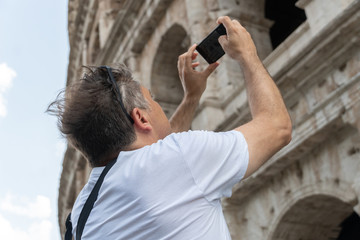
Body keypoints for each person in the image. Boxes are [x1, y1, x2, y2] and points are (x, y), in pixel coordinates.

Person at [49, 16, 292, 239]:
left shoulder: (81, 214)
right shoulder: (181, 159)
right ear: (141, 118)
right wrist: (247, 54)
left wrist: (191, 98)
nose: (157, 104)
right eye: (152, 99)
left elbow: (159, 163)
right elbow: (277, 127)